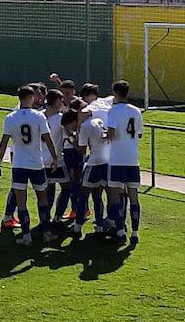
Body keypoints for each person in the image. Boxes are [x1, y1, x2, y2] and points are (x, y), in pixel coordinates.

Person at [0, 86, 59, 246]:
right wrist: (55, 158)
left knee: (21, 202)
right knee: (42, 199)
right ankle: (46, 233)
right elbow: (48, 139)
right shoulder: (38, 116)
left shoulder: (10, 118)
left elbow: (3, 143)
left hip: (19, 164)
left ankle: (26, 236)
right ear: (31, 97)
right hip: (36, 164)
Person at [106, 80, 142, 245]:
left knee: (114, 196)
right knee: (133, 197)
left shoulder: (114, 111)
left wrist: (103, 134)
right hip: (133, 160)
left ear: (115, 93)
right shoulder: (136, 111)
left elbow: (111, 135)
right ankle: (135, 232)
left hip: (118, 159)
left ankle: (120, 231)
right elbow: (139, 134)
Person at [69, 107, 110, 238]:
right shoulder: (98, 121)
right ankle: (99, 227)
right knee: (98, 196)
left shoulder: (85, 126)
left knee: (83, 195)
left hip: (94, 163)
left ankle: (77, 228)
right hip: (106, 161)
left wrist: (72, 139)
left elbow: (81, 150)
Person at [42, 89, 70, 226]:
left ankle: (45, 219)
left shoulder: (39, 115)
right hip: (56, 160)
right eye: (61, 100)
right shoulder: (59, 118)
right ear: (57, 101)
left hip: (41, 160)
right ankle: (57, 217)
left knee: (47, 190)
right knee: (66, 187)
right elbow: (68, 134)